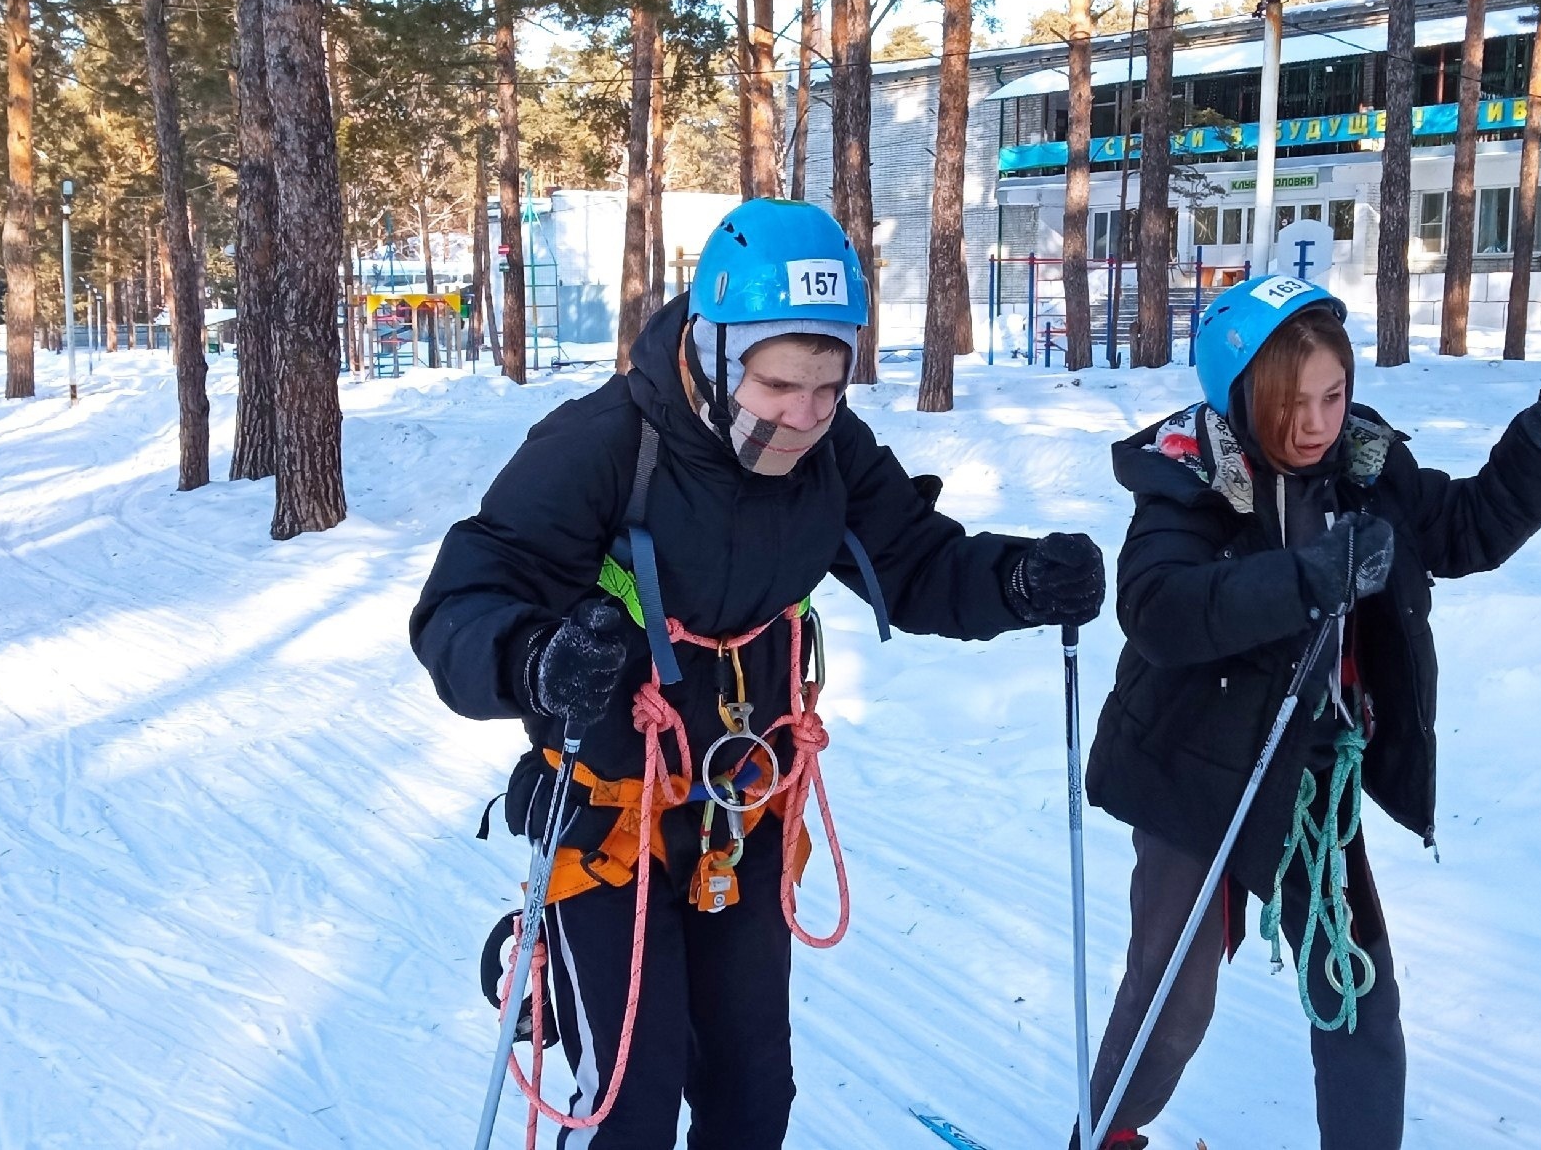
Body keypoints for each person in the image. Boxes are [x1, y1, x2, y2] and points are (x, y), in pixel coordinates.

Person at [412, 197, 1107, 1148]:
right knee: (630, 1103)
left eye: (830, 389)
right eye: (779, 383)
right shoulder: (606, 445)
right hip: (609, 813)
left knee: (752, 1098)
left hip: (739, 815)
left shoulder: (831, 453)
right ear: (713, 345)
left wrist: (1018, 580)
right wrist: (534, 660)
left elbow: (914, 562)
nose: (803, 417)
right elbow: (460, 603)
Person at [1076, 275, 1541, 1149]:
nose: (1318, 421)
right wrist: (1307, 578)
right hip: (1196, 774)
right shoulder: (1189, 480)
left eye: (1334, 395)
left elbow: (1469, 526)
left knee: (1360, 1000)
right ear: (1242, 394)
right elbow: (1161, 607)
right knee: (1172, 1001)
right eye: (1294, 401)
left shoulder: (1368, 472)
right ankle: (1103, 1135)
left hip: (1311, 786)